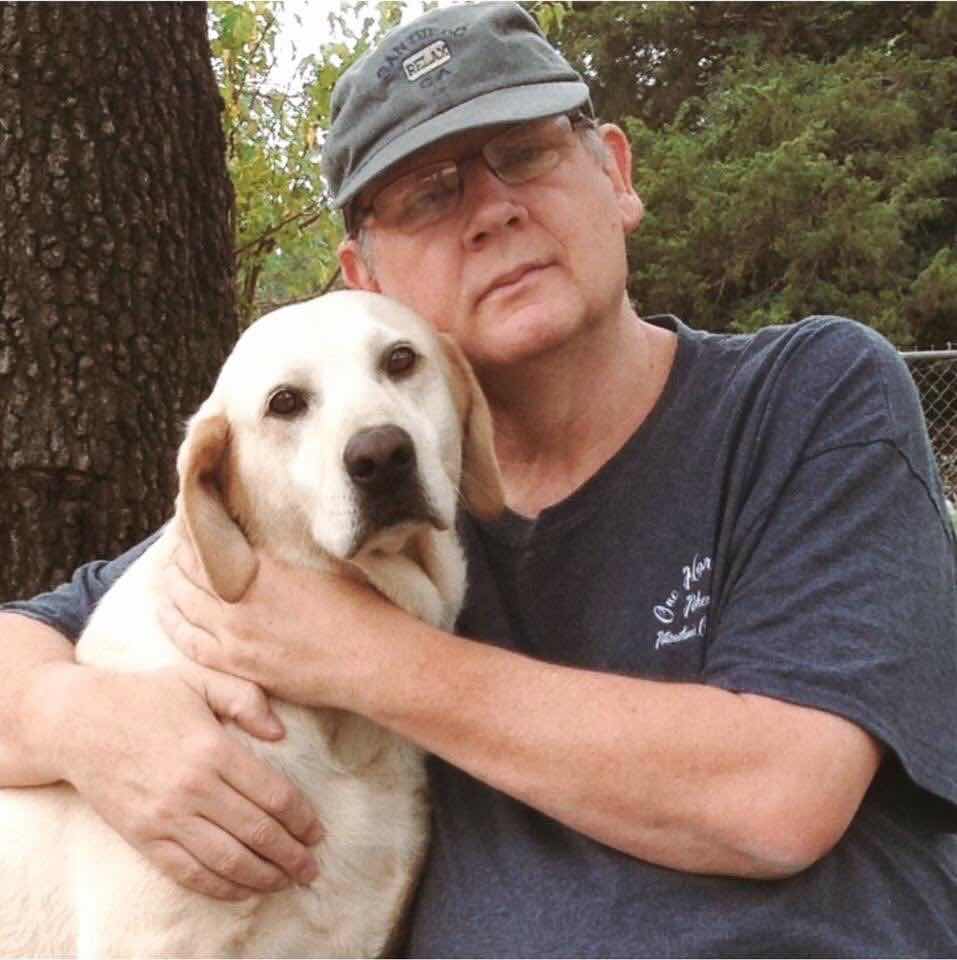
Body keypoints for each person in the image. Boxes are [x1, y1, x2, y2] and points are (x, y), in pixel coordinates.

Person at [2, 2, 955, 955]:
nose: (493, 211)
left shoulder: (805, 395)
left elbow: (777, 800)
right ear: (364, 280)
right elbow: (36, 639)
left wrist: (365, 655)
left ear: (615, 173)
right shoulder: (345, 491)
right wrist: (79, 717)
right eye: (427, 196)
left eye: (526, 153)